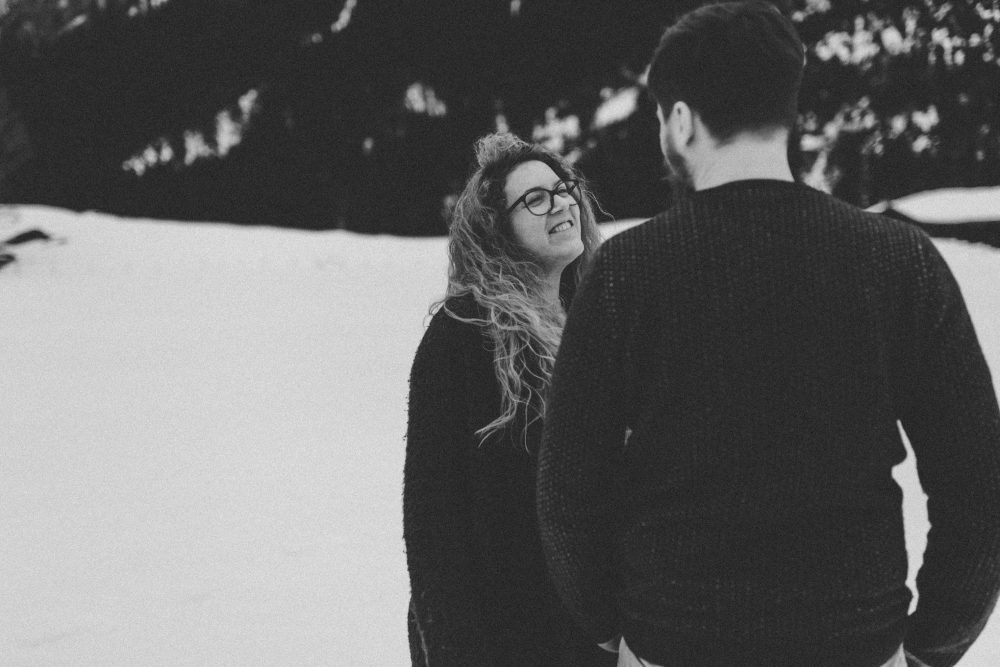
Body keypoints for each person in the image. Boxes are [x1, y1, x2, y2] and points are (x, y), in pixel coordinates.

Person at [535, 2, 1000, 666]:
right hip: (855, 644)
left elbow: (569, 488)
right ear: (786, 109)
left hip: (677, 641)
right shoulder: (900, 261)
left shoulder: (624, 271)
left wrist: (612, 628)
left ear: (682, 120)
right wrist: (934, 643)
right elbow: (979, 482)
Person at [403, 132, 614, 665]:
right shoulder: (465, 333)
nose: (562, 202)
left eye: (565, 188)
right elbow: (433, 522)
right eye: (536, 198)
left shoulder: (592, 324)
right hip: (505, 636)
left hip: (591, 633)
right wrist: (453, 651)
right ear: (498, 228)